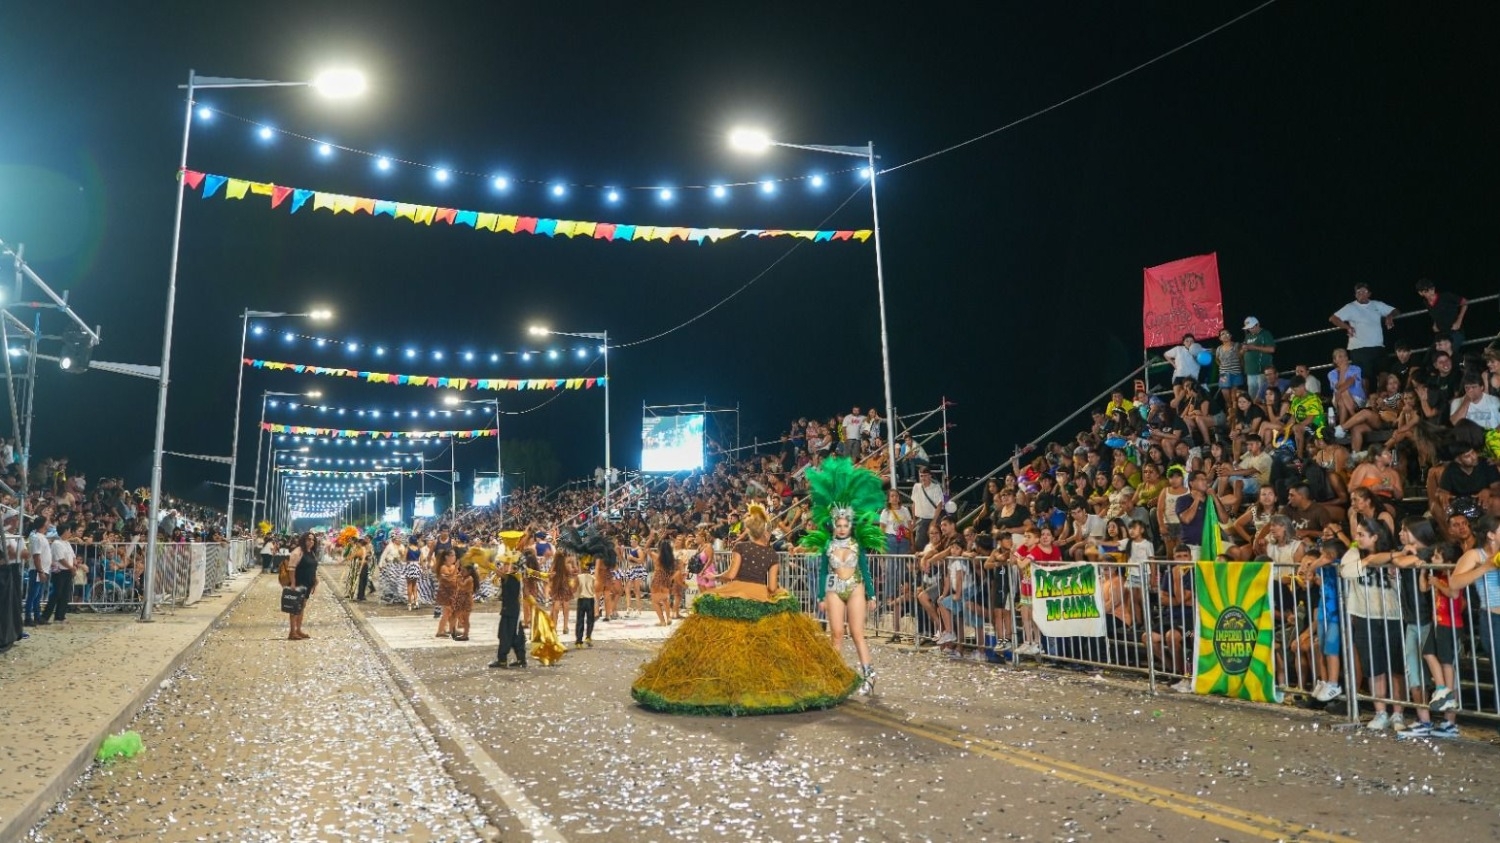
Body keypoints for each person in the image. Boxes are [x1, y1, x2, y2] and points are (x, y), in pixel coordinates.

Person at [632, 496, 862, 715]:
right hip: (760, 594)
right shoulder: (771, 554)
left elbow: (731, 574)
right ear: (766, 531)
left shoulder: (740, 548)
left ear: (750, 531)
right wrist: (778, 593)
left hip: (736, 590)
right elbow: (772, 587)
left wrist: (715, 577)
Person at [1339, 518, 1408, 731]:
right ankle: (1380, 712)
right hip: (1364, 615)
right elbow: (1345, 572)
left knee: (1396, 667)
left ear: (1375, 537)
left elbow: (1403, 579)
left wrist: (1390, 565)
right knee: (1373, 667)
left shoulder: (1394, 554)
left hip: (1393, 615)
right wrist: (1369, 561)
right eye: (1357, 533)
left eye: (1362, 534)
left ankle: (1398, 713)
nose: (1357, 537)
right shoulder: (1354, 553)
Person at [1329, 282, 1398, 391]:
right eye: (1358, 292)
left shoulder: (1377, 304)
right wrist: (1347, 327)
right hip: (1359, 348)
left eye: (1364, 291)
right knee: (1364, 377)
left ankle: (1381, 397)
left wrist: (1389, 316)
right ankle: (1365, 400)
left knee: (1384, 373)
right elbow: (1333, 318)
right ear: (1355, 295)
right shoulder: (1350, 307)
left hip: (1378, 345)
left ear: (1369, 293)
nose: (1361, 294)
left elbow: (1395, 310)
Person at [490, 554, 526, 669]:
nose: (503, 566)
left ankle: (502, 660)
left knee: (505, 634)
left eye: (506, 564)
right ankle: (521, 659)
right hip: (512, 610)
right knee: (517, 635)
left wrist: (488, 564)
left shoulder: (513, 577)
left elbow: (500, 573)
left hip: (510, 611)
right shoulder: (515, 576)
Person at [40, 522, 78, 624]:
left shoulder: (67, 543)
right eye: (69, 531)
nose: (70, 533)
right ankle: (45, 616)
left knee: (65, 594)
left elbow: (73, 556)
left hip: (68, 571)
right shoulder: (57, 544)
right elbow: (61, 559)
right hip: (59, 571)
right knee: (56, 594)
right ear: (64, 531)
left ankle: (60, 616)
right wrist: (71, 567)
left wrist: (74, 565)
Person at [1415, 278, 1467, 349]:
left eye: (1432, 289)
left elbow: (1464, 302)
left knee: (1448, 351)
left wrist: (1459, 321)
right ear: (1420, 293)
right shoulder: (1425, 302)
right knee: (1432, 353)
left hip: (1455, 331)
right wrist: (1435, 323)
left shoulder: (1445, 296)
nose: (1431, 292)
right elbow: (1435, 313)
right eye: (1426, 291)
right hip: (1441, 334)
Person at [286, 532, 318, 641]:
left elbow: (313, 567)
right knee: (295, 608)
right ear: (303, 540)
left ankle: (298, 630)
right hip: (299, 583)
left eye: (313, 540)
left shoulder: (311, 552)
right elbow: (291, 568)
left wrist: (315, 580)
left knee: (302, 606)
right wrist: (293, 583)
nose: (311, 541)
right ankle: (292, 632)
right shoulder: (298, 552)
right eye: (308, 539)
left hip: (308, 583)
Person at [1242, 317, 1277, 401]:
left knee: (1263, 395)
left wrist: (1254, 347)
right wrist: (1243, 349)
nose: (1250, 329)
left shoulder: (1265, 333)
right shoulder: (1248, 336)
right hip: (1250, 371)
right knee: (1252, 396)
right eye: (1248, 328)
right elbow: (1242, 351)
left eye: (1252, 327)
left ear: (1258, 324)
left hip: (1262, 370)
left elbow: (1272, 349)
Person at [434, 548, 459, 639]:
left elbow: (456, 578)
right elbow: (449, 579)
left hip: (453, 592)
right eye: (452, 555)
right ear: (446, 557)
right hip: (445, 592)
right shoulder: (443, 567)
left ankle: (452, 629)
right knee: (447, 612)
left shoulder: (452, 566)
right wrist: (456, 569)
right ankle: (441, 631)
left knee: (452, 612)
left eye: (455, 555)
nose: (454, 557)